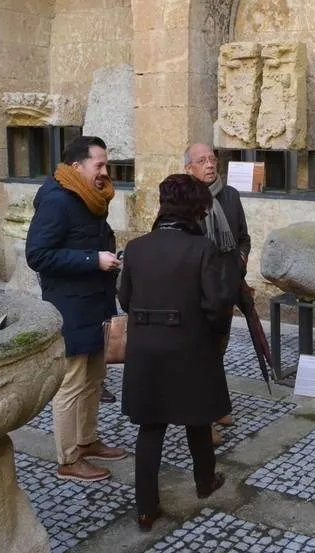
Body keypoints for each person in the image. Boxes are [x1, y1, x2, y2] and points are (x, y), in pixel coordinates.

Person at [118, 174, 240, 531]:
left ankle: (145, 508)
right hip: (189, 346)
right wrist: (211, 334)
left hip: (145, 349)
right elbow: (217, 305)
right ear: (195, 210)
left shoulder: (137, 248)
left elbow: (125, 299)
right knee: (197, 418)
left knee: (150, 427)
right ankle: (204, 482)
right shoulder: (203, 249)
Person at [26, 135, 126, 482]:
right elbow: (37, 256)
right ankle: (68, 458)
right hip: (69, 307)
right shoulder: (57, 201)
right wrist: (91, 259)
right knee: (72, 383)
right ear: (76, 167)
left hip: (95, 304)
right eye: (98, 165)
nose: (105, 171)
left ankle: (87, 440)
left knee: (94, 378)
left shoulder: (89, 197)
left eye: (105, 164)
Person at [184, 143, 251, 443]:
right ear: (189, 169)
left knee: (218, 351)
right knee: (201, 355)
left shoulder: (231, 196)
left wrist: (240, 260)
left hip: (226, 287)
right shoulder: (184, 200)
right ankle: (203, 418)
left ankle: (218, 405)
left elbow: (243, 238)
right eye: (202, 161)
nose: (210, 165)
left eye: (212, 159)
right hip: (198, 291)